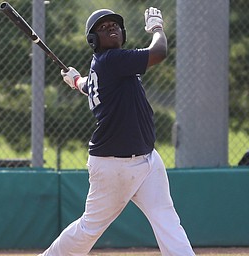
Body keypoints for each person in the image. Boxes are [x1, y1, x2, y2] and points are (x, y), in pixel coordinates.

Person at [39, 7, 196, 256]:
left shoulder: (106, 66)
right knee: (89, 228)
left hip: (147, 159)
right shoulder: (112, 60)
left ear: (122, 33)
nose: (111, 28)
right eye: (102, 28)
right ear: (93, 41)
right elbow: (159, 52)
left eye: (114, 25)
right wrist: (157, 28)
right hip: (114, 166)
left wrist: (77, 80)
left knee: (166, 219)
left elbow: (90, 85)